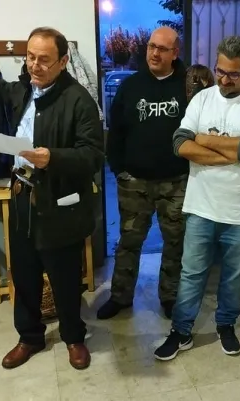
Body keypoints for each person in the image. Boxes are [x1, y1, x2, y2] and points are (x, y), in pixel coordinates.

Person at [0, 27, 104, 371]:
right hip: (22, 195)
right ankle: (30, 337)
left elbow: (94, 156)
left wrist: (52, 157)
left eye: (44, 60)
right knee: (23, 273)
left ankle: (73, 337)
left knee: (64, 277)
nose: (35, 65)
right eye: (30, 57)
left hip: (59, 203)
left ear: (63, 62)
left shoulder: (79, 101)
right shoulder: (24, 89)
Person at [154, 36, 240, 360]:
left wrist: (204, 140)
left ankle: (226, 325)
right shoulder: (202, 99)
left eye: (233, 74)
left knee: (234, 278)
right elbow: (180, 144)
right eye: (220, 71)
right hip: (201, 206)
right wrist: (234, 152)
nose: (223, 79)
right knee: (191, 274)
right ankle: (181, 331)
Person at [100, 27, 188, 320]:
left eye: (162, 48)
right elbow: (115, 132)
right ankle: (120, 296)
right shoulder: (130, 86)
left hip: (176, 181)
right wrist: (119, 170)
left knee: (175, 242)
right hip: (134, 182)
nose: (154, 53)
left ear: (175, 53)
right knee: (129, 242)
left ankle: (170, 297)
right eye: (151, 46)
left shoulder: (188, 88)